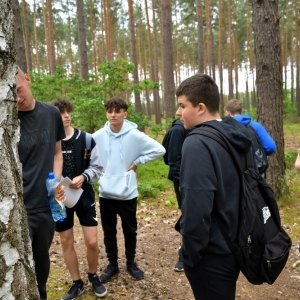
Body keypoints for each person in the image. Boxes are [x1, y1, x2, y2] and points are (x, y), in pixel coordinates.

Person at [175, 73, 252, 299]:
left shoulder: (197, 142)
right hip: (237, 241)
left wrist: (189, 253)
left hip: (213, 252)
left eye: (182, 106)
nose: (178, 112)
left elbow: (197, 206)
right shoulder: (239, 133)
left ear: (200, 107)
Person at [92, 98, 165, 283]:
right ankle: (112, 265)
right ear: (106, 113)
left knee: (129, 230)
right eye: (110, 111)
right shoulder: (97, 136)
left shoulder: (135, 135)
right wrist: (97, 167)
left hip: (128, 193)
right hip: (106, 193)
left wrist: (138, 161)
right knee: (109, 231)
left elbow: (160, 150)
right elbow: (87, 153)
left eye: (117, 111)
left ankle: (131, 263)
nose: (113, 115)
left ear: (125, 113)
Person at [16, 66, 66, 300]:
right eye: (10, 94)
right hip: (16, 209)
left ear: (27, 79)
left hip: (46, 205)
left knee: (42, 265)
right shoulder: (7, 120)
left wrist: (56, 183)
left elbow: (57, 153)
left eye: (19, 90)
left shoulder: (51, 114)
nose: (17, 98)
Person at [50, 99, 107, 299]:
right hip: (59, 199)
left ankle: (93, 276)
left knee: (91, 242)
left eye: (68, 112)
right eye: (61, 113)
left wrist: (84, 177)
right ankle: (77, 283)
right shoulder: (49, 141)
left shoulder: (87, 139)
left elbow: (98, 168)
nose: (66, 116)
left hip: (85, 196)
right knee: (66, 241)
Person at [164, 118, 189, 272]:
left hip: (196, 179)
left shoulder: (197, 127)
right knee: (184, 214)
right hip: (182, 181)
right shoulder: (178, 130)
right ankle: (183, 254)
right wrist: (181, 183)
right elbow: (173, 160)